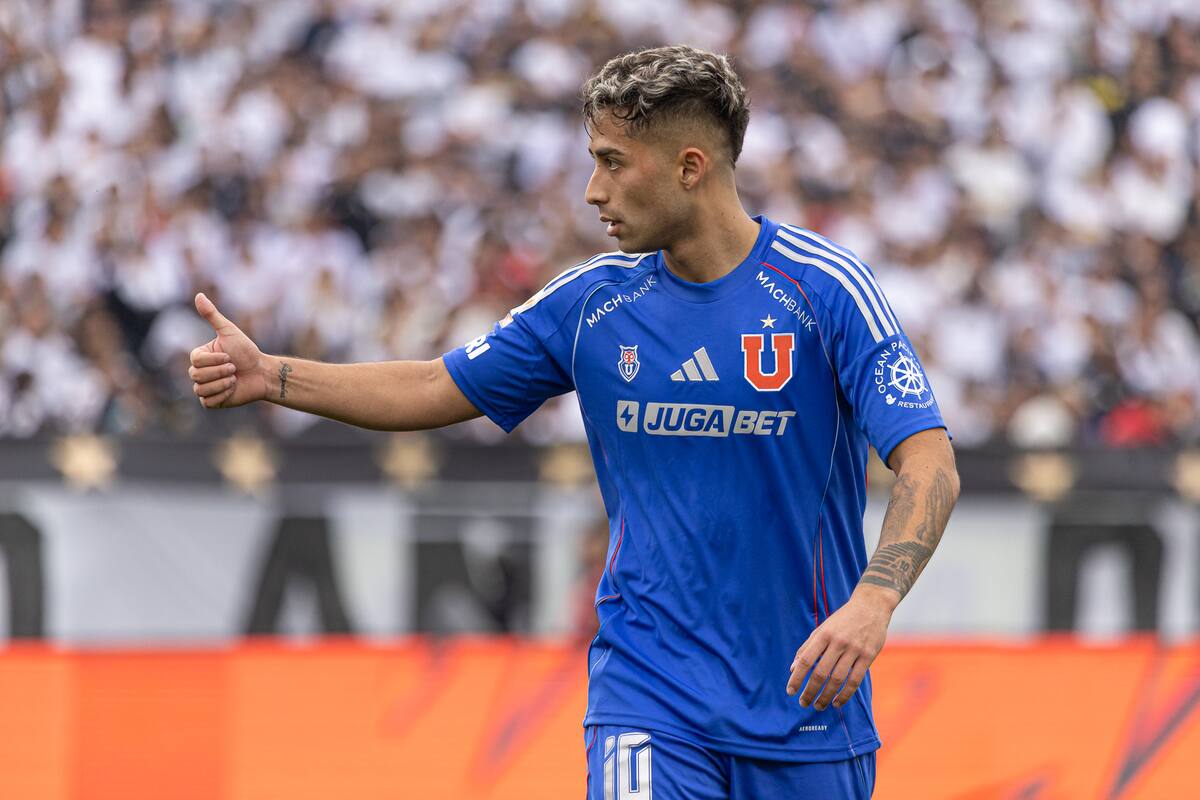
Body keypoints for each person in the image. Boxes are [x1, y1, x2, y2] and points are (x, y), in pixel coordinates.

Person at [189, 45, 958, 800]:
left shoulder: (825, 291)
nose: (593, 191)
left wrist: (874, 601)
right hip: (650, 697)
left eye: (613, 162)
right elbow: (433, 385)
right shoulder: (593, 304)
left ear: (690, 168)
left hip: (808, 706)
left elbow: (929, 463)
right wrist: (273, 377)